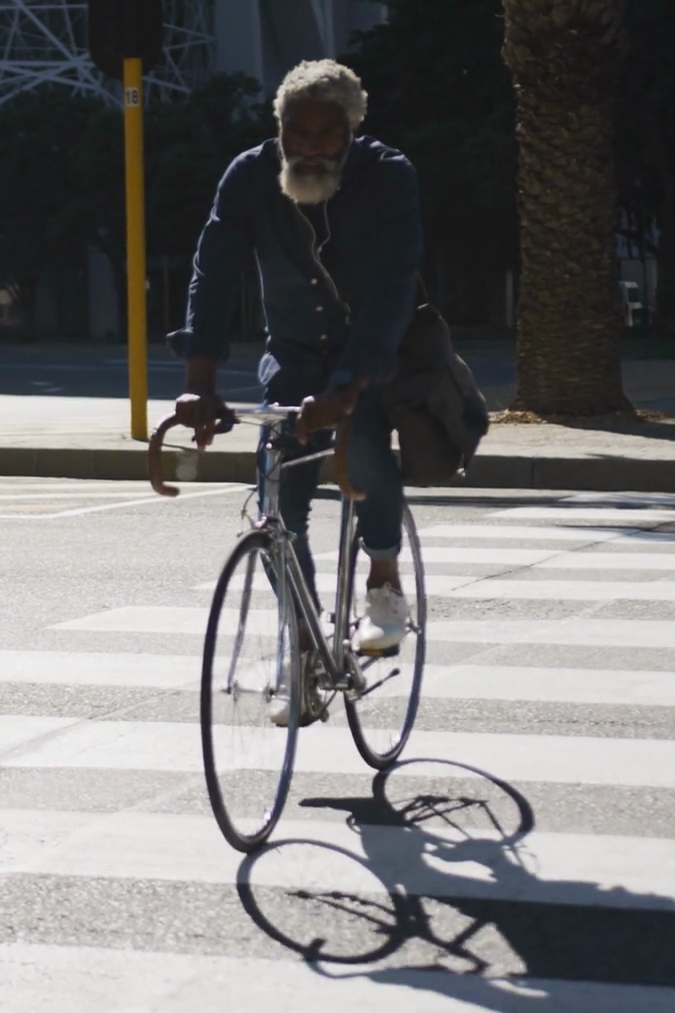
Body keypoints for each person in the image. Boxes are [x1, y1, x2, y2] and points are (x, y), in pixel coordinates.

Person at [166, 60, 421, 677]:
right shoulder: (249, 175)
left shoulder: (388, 175)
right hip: (292, 357)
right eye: (296, 132)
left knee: (363, 443)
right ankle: (304, 642)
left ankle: (384, 580)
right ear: (278, 127)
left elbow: (392, 289)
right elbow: (213, 274)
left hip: (370, 353)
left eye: (327, 134)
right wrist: (199, 383)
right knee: (276, 501)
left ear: (351, 131)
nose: (309, 147)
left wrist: (348, 386)